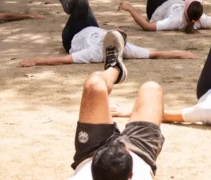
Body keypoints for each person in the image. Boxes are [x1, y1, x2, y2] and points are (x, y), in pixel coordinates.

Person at [67, 31, 165, 179]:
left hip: (93, 152)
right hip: (139, 152)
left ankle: (115, 69)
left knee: (94, 85)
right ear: (131, 176)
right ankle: (115, 68)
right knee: (151, 88)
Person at [18, 0, 197, 67]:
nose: (119, 28)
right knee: (85, 6)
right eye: (119, 31)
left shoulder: (96, 52)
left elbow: (63, 60)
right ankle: (71, 4)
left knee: (82, 3)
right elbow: (156, 53)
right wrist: (183, 53)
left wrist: (35, 60)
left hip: (73, 35)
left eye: (118, 31)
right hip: (91, 27)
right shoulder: (127, 48)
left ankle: (69, 4)